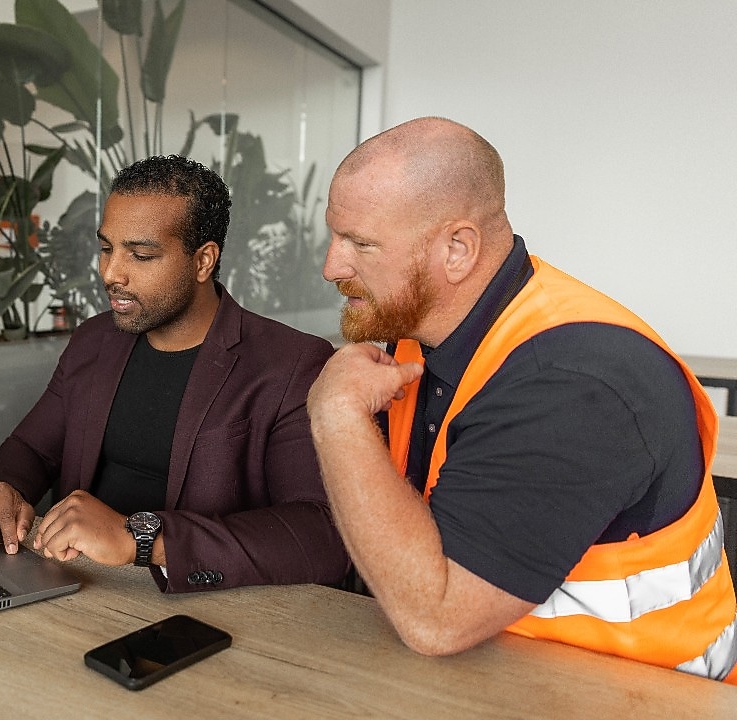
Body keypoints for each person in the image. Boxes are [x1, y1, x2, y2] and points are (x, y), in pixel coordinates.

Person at [306, 116, 737, 682]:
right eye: (337, 235)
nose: (331, 267)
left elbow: (437, 620)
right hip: (500, 679)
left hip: (647, 696)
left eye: (361, 244)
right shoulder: (422, 330)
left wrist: (335, 415)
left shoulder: (574, 383)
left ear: (458, 249)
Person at [0, 154, 348, 592]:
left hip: (203, 617)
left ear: (203, 261)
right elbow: (33, 449)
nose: (110, 273)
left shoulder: (290, 363)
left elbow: (319, 537)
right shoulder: (94, 340)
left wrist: (143, 538)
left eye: (140, 255)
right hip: (75, 588)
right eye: (106, 248)